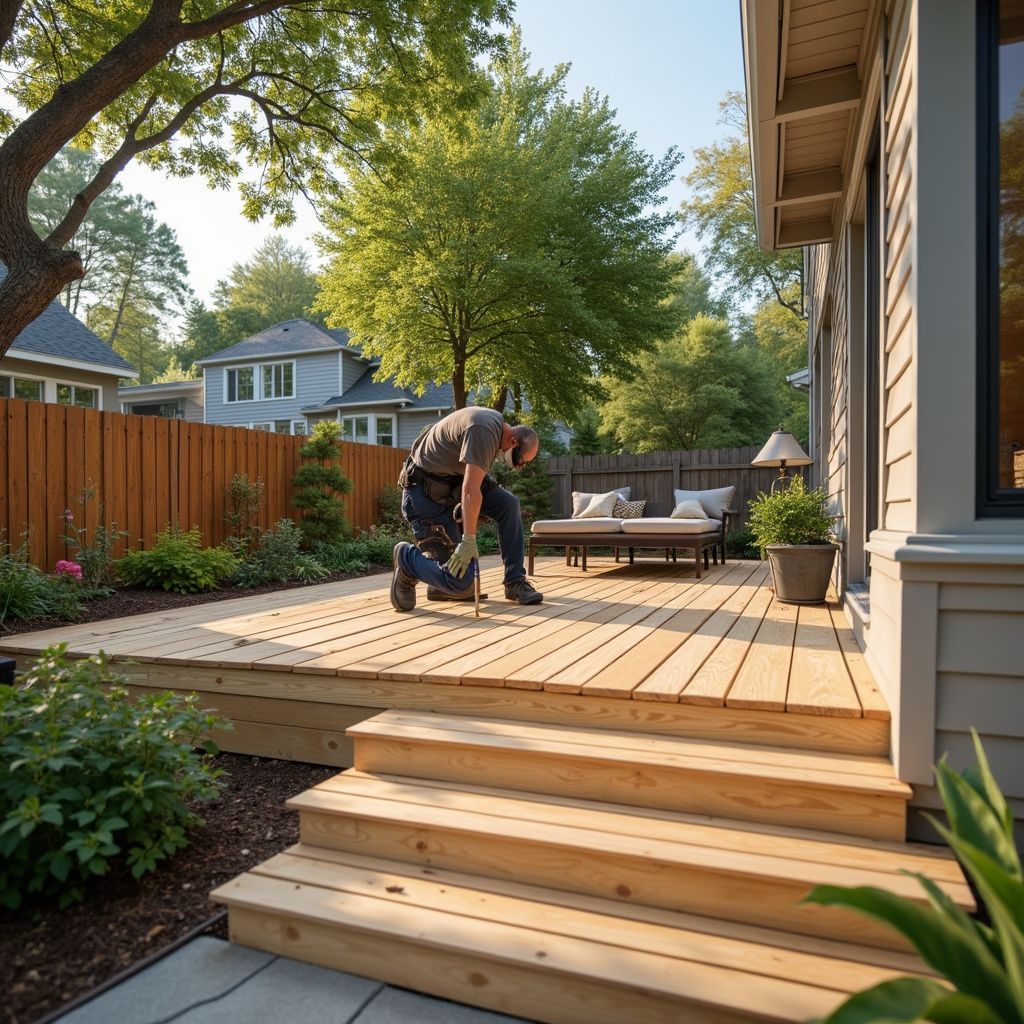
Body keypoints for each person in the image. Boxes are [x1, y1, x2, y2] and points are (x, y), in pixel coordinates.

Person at [390, 407, 544, 611]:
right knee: (461, 584)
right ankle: (407, 559)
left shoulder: (494, 427)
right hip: (425, 497)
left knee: (508, 504)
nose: (518, 467)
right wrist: (468, 540)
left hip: (450, 487)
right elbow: (470, 491)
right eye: (520, 461)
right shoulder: (484, 430)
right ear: (514, 441)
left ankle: (514, 582)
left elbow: (472, 484)